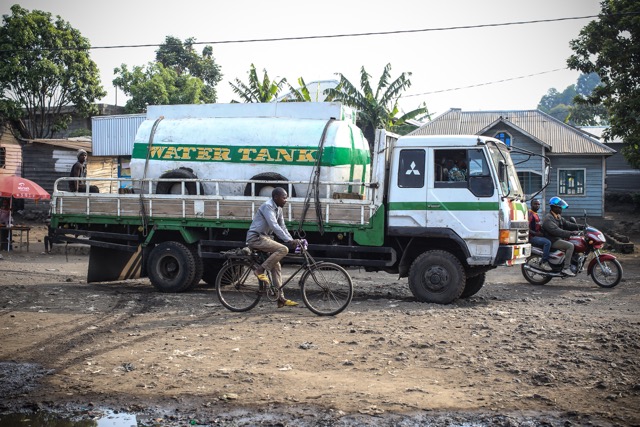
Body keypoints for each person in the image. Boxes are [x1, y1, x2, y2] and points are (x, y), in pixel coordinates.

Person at [246, 187, 301, 308]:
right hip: (256, 238)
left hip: (265, 238)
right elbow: (274, 225)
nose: (286, 200)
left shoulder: (278, 209)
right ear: (276, 197)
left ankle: (280, 298)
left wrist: (291, 239)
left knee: (276, 266)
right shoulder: (268, 206)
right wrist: (287, 241)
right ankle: (260, 270)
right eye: (284, 197)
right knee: (283, 249)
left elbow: (283, 226)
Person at [541, 196, 582, 277]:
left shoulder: (558, 216)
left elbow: (568, 224)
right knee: (570, 246)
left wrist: (581, 226)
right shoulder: (548, 219)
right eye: (559, 208)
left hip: (558, 238)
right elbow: (557, 231)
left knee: (575, 241)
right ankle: (566, 268)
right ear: (553, 207)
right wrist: (571, 233)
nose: (561, 209)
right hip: (552, 240)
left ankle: (573, 263)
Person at [528, 199, 552, 271]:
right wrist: (535, 233)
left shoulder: (536, 214)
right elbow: (526, 227)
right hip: (532, 237)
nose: (537, 205)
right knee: (547, 243)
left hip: (537, 235)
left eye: (538, 204)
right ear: (531, 205)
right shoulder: (530, 214)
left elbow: (538, 226)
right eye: (535, 204)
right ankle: (544, 262)